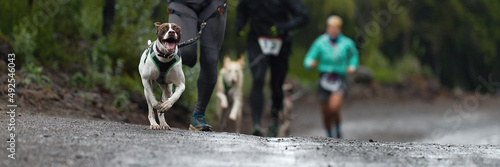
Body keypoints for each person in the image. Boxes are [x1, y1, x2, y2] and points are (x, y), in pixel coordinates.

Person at [235, 0, 309, 137]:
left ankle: (275, 120)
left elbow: (303, 17)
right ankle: (256, 124)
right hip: (256, 40)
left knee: (276, 84)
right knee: (258, 78)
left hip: (281, 42)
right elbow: (242, 10)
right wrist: (239, 26)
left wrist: (284, 27)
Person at [168, 0, 227, 131]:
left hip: (213, 3)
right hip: (181, 3)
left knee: (210, 59)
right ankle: (161, 99)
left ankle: (198, 115)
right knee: (185, 53)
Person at [303, 15, 359, 138]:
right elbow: (309, 58)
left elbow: (354, 56)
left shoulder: (347, 43)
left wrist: (352, 66)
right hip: (324, 79)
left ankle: (338, 131)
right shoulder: (320, 42)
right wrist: (309, 64)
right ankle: (329, 135)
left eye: (336, 27)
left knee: (334, 108)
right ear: (327, 28)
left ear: (340, 29)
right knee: (325, 112)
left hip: (340, 78)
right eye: (331, 27)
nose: (333, 30)